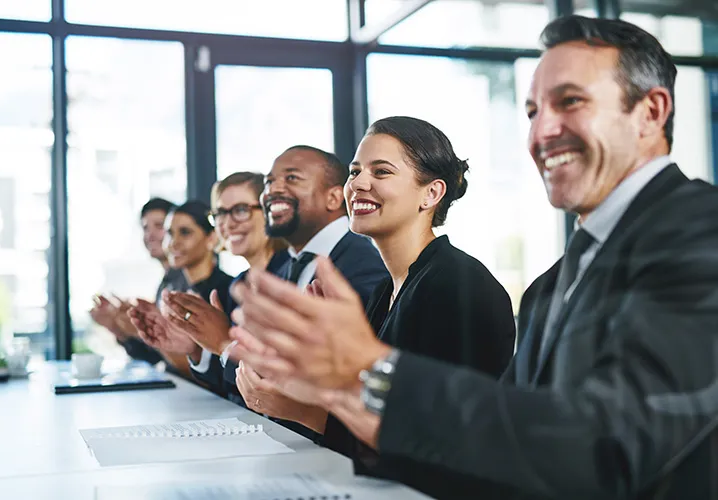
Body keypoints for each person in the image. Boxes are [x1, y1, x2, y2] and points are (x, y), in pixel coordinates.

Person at [229, 15, 718, 500]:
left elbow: (607, 450)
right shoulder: (553, 283)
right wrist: (325, 389)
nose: (542, 131)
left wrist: (369, 371)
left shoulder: (702, 235)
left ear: (651, 112)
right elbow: (496, 447)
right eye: (531, 112)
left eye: (570, 102)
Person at [234, 117, 517, 499]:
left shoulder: (458, 285)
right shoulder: (385, 290)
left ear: (431, 194)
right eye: (354, 172)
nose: (358, 184)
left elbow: (438, 443)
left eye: (381, 171)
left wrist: (303, 411)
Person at [162, 146, 388, 433]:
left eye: (291, 178)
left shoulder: (362, 264)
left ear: (333, 197)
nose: (273, 190)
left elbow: (346, 386)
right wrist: (199, 348)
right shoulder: (287, 268)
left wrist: (224, 346)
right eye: (269, 183)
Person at [183, 172, 289, 401]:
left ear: (269, 212)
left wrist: (224, 344)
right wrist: (195, 350)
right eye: (220, 213)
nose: (227, 223)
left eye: (240, 210)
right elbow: (228, 383)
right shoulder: (238, 284)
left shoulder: (291, 277)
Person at [129, 200, 234, 378]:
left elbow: (225, 378)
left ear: (211, 238)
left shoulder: (227, 290)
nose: (173, 242)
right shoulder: (174, 290)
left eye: (185, 233)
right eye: (170, 233)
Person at [89, 197, 188, 366]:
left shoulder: (186, 284)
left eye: (159, 226)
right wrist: (119, 328)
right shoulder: (165, 284)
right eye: (145, 228)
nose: (150, 235)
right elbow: (156, 357)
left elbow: (190, 362)